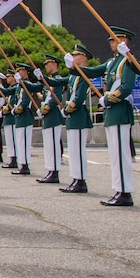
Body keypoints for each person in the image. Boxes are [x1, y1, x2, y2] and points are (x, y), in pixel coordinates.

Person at [78, 27, 137, 207]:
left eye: (114, 40)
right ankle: (118, 189)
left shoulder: (127, 60)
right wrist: (74, 68)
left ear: (124, 41)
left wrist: (107, 99)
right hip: (113, 111)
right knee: (115, 154)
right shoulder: (112, 62)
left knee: (121, 154)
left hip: (120, 110)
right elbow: (93, 71)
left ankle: (125, 192)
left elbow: (126, 87)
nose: (111, 43)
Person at [59, 44, 93, 193]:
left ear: (84, 58)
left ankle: (80, 181)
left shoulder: (84, 75)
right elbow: (59, 83)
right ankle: (75, 178)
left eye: (76, 55)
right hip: (73, 116)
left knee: (78, 150)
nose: (73, 57)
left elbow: (78, 98)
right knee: (72, 150)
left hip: (78, 115)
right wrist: (43, 78)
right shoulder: (74, 76)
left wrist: (66, 109)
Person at [29, 55, 68, 184]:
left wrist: (43, 109)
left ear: (54, 64)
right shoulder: (49, 80)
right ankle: (50, 170)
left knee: (53, 145)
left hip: (53, 116)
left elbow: (55, 98)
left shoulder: (57, 80)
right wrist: (22, 82)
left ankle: (54, 172)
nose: (46, 66)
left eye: (48, 64)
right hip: (47, 117)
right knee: (49, 146)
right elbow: (35, 88)